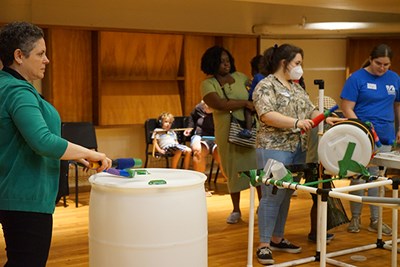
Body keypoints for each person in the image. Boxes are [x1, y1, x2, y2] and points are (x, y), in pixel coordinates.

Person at [0, 21, 112, 267]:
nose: (46, 60)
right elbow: (42, 141)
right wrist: (90, 153)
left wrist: (75, 155)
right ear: (19, 56)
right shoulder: (18, 91)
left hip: (16, 194)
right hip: (26, 196)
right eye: (40, 54)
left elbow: (30, 139)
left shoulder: (6, 86)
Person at [252, 43, 344, 265]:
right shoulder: (266, 86)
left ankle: (277, 238)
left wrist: (323, 117)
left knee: (285, 195)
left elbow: (309, 109)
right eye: (297, 63)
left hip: (297, 149)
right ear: (284, 63)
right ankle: (264, 245)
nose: (300, 68)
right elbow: (266, 115)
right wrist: (295, 122)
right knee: (272, 195)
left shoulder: (296, 88)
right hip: (274, 147)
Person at [341, 43, 400, 236]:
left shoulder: (394, 79)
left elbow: (398, 107)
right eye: (378, 63)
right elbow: (347, 108)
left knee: (378, 179)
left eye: (386, 64)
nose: (382, 68)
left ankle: (376, 220)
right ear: (370, 59)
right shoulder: (356, 78)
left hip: (386, 137)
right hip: (363, 136)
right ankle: (355, 218)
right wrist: (362, 129)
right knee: (359, 177)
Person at [200, 45, 258, 224]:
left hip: (249, 128)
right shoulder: (208, 84)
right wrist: (244, 103)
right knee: (232, 168)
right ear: (212, 64)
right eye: (221, 61)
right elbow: (219, 104)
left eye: (227, 61)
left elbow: (255, 96)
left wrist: (249, 104)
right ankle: (236, 209)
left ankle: (262, 206)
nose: (225, 64)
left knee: (257, 167)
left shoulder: (241, 77)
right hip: (227, 131)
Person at [184, 101, 223, 176]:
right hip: (200, 135)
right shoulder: (199, 107)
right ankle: (201, 182)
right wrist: (189, 127)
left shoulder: (220, 110)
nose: (204, 108)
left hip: (216, 136)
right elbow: (192, 116)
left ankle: (230, 182)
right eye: (203, 106)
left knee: (221, 154)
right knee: (198, 151)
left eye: (206, 107)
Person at [239, 54, 268, 139]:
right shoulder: (268, 77)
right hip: (265, 101)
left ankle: (248, 130)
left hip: (254, 99)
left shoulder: (257, 77)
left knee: (248, 110)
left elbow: (253, 89)